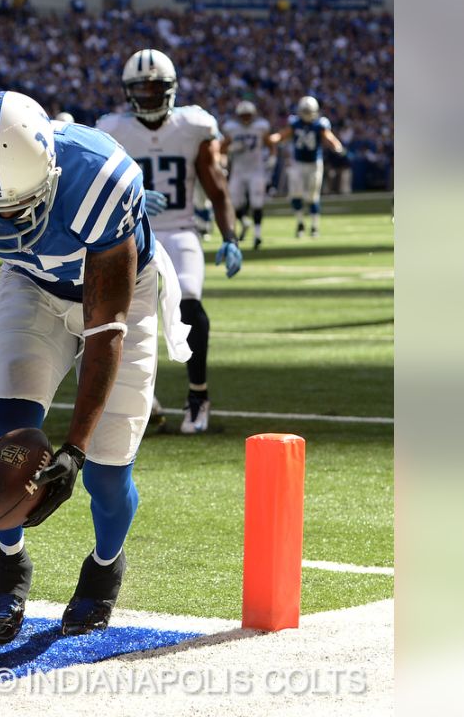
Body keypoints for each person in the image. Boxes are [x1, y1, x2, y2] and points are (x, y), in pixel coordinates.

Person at [0, 90, 190, 644]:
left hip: (121, 292)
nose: (5, 220)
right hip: (31, 285)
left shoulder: (100, 176)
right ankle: (10, 558)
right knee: (6, 441)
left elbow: (106, 326)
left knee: (109, 467)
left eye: (16, 206)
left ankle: (105, 565)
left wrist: (77, 448)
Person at [97, 48, 242, 435]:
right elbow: (97, 188)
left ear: (172, 89)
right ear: (128, 92)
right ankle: (135, 399)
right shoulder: (111, 130)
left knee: (190, 305)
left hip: (180, 229)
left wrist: (230, 237)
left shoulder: (193, 126)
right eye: (140, 89)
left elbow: (217, 186)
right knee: (114, 316)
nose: (148, 96)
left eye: (155, 88)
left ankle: (198, 397)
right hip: (130, 230)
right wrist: (133, 197)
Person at [267, 95, 345, 239]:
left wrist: (337, 146)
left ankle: (315, 226)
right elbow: (284, 135)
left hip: (314, 163)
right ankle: (300, 223)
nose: (308, 114)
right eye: (306, 111)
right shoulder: (295, 123)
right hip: (298, 163)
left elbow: (328, 136)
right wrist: (273, 139)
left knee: (312, 196)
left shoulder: (320, 124)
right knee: (296, 194)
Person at [221, 100, 273, 250]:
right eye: (243, 115)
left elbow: (270, 144)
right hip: (238, 170)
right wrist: (229, 151)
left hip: (256, 170)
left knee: (257, 203)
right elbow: (222, 148)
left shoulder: (260, 127)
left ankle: (257, 235)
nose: (245, 118)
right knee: (234, 203)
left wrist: (272, 158)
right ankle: (244, 221)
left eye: (248, 115)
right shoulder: (233, 129)